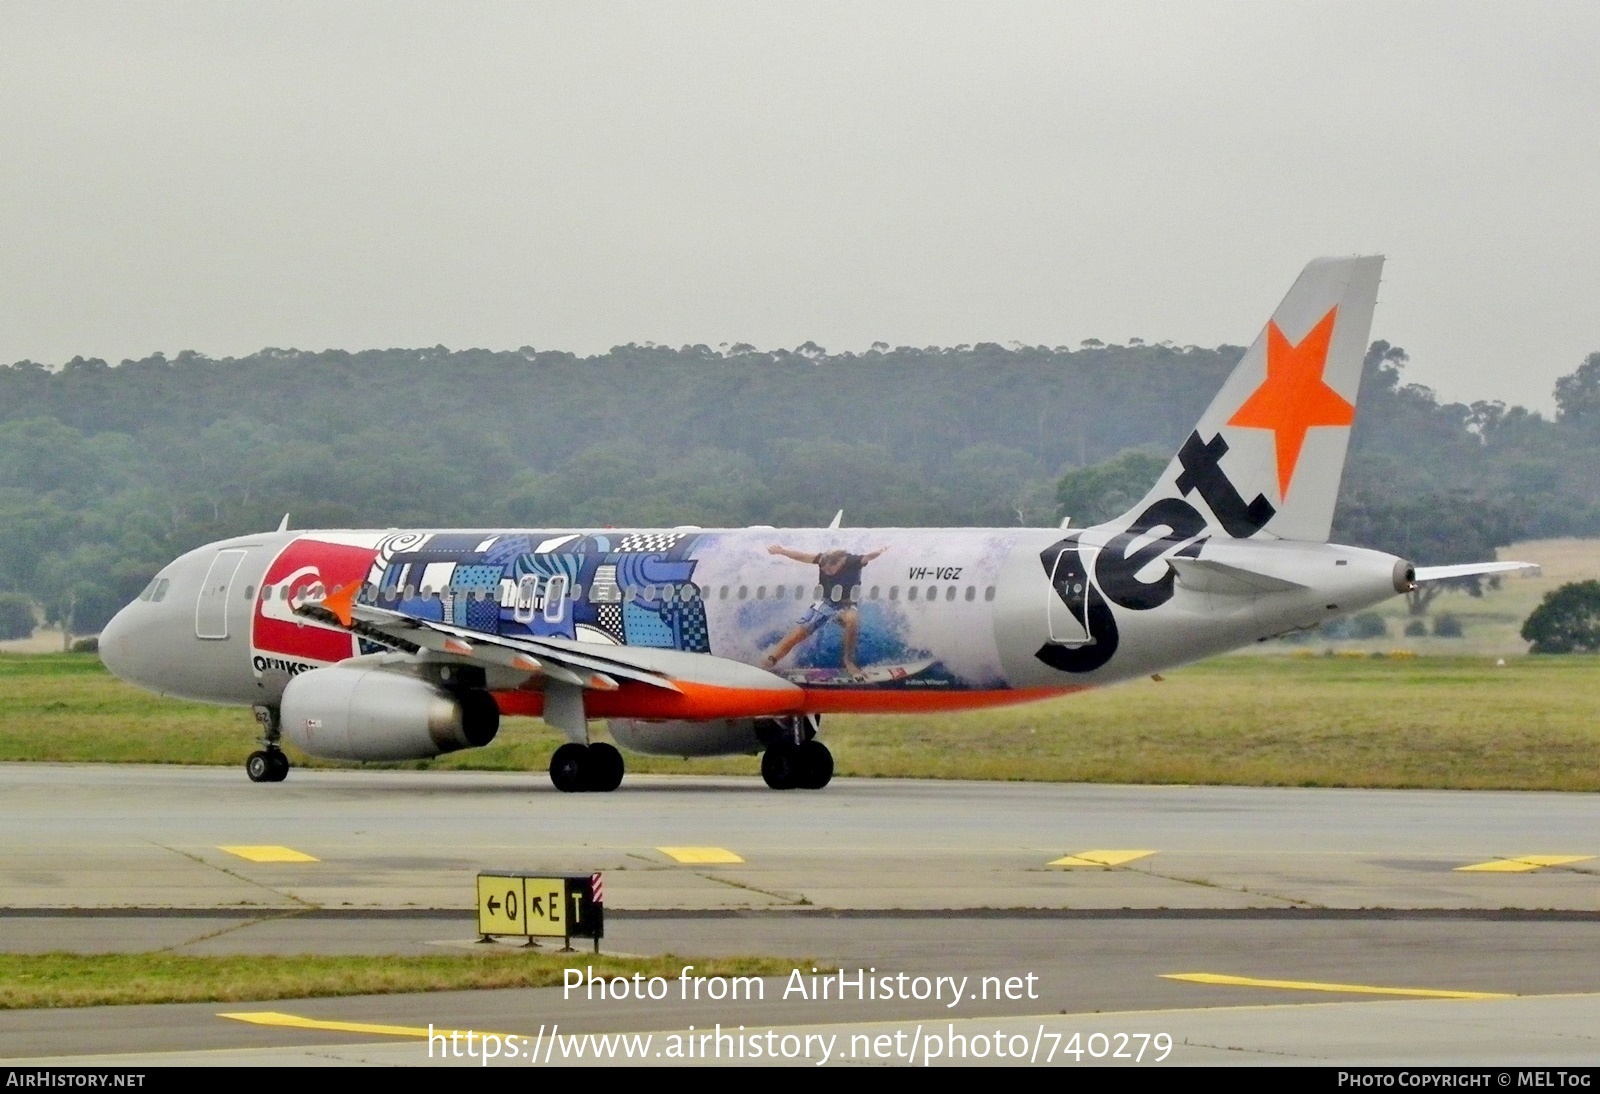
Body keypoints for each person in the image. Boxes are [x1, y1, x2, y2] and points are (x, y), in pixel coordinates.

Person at [762, 544, 888, 674]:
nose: (827, 573)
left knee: (852, 619)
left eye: (829, 570)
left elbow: (868, 557)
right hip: (826, 603)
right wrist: (782, 551)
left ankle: (848, 661)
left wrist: (879, 551)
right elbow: (801, 556)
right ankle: (771, 659)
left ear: (839, 563)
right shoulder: (824, 559)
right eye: (824, 571)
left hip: (846, 605)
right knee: (800, 632)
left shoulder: (853, 561)